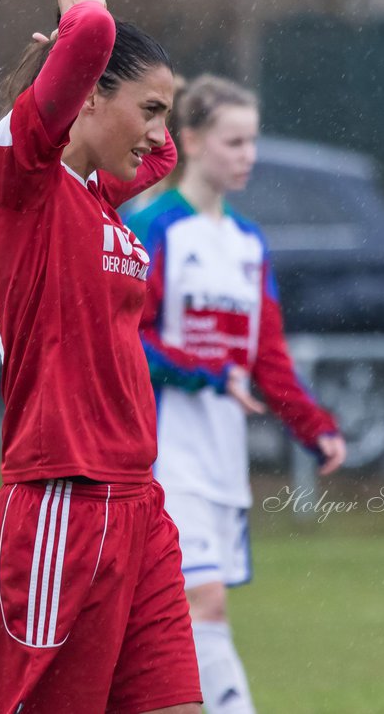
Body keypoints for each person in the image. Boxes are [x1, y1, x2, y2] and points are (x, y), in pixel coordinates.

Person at [0, 0, 201, 714]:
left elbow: (158, 158)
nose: (162, 130)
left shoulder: (93, 195)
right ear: (89, 94)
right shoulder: (17, 181)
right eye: (150, 109)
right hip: (64, 503)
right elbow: (93, 36)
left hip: (136, 502)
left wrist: (151, 104)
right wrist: (78, 13)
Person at [125, 75, 346, 714]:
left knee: (190, 616)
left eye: (253, 141)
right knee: (201, 602)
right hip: (163, 453)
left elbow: (266, 356)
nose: (247, 154)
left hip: (221, 454)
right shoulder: (156, 227)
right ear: (190, 139)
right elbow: (126, 341)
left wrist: (312, 423)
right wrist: (205, 372)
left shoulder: (248, 243)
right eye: (234, 141)